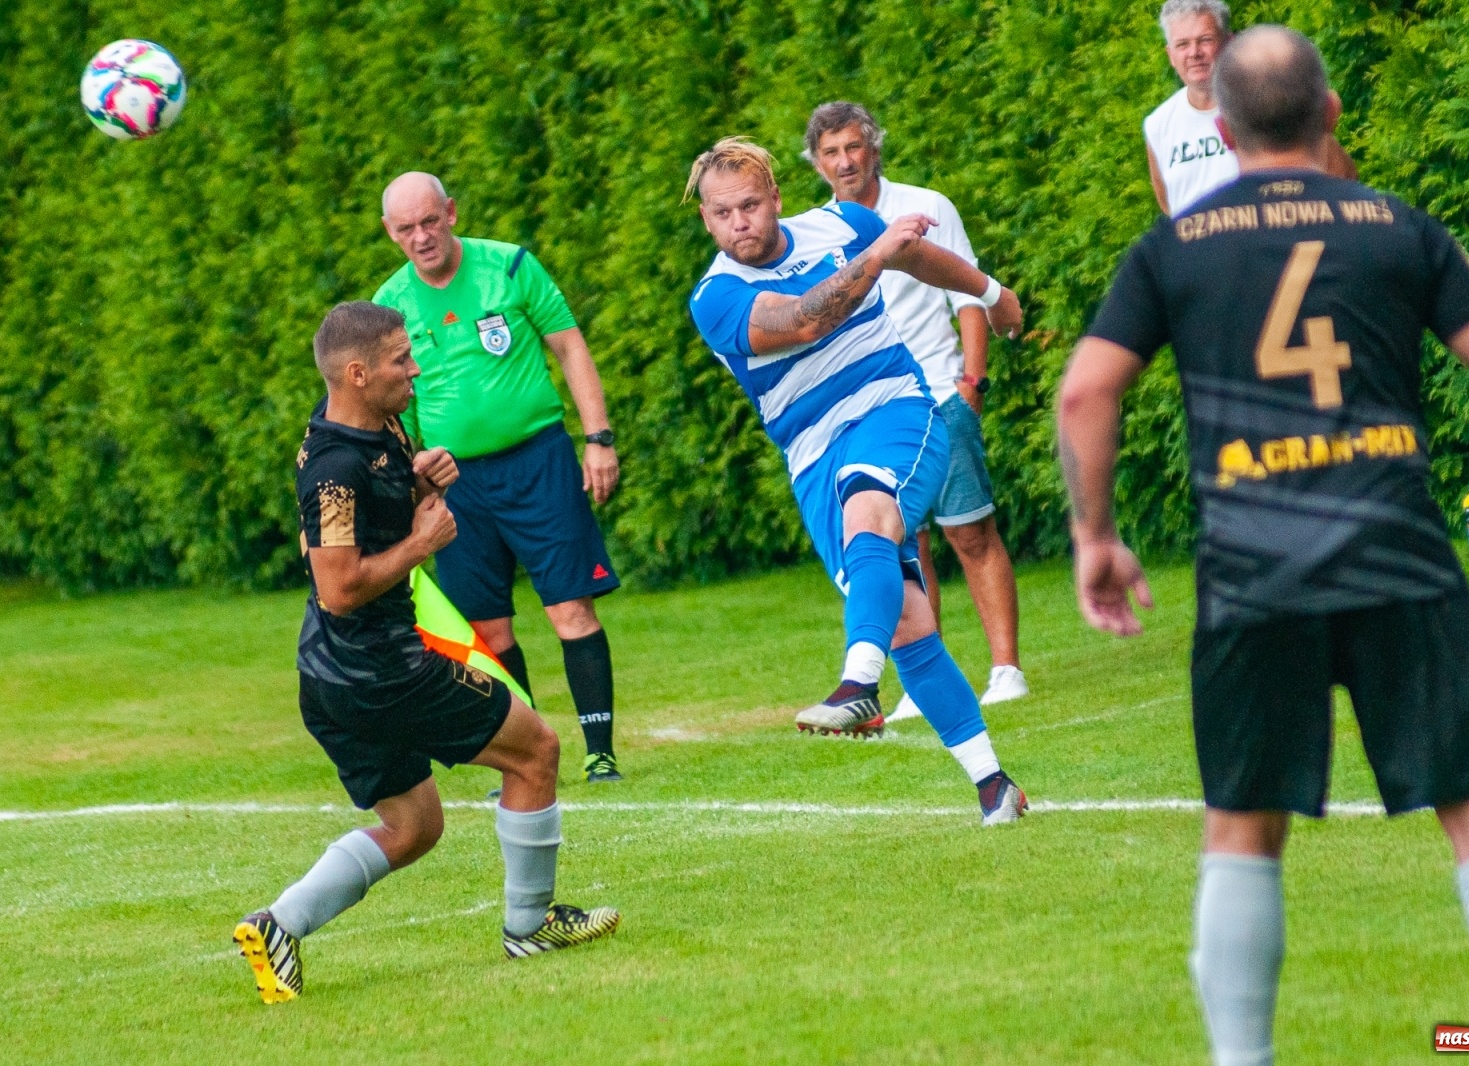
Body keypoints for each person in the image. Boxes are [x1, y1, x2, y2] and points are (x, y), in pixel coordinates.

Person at [1058, 26, 1469, 1066]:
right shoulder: (1396, 228)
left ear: (1219, 131)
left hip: (1253, 566)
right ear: (1332, 113)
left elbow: (1085, 392)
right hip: (1398, 551)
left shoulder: (1174, 247)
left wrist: (1097, 535)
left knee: (1242, 824)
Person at [233, 302, 619, 1005]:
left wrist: (421, 483)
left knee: (414, 828)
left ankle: (278, 924)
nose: (415, 369)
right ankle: (530, 925)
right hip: (383, 672)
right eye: (399, 360)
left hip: (331, 678)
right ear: (357, 373)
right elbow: (339, 589)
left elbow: (377, 516)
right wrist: (422, 544)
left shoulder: (376, 429)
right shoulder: (333, 471)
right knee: (536, 751)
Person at [684, 137, 1028, 825]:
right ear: (706, 220)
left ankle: (858, 682)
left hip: (894, 408)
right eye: (722, 214)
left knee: (867, 501)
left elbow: (918, 257)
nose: (739, 223)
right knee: (907, 622)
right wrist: (875, 257)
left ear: (776, 196)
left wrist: (991, 292)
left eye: (750, 205)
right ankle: (995, 786)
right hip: (813, 456)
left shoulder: (840, 223)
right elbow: (803, 320)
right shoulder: (716, 296)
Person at [373, 173, 625, 784]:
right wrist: (411, 484)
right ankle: (528, 757)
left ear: (451, 212)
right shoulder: (388, 304)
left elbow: (570, 347)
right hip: (454, 482)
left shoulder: (509, 267)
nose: (421, 237)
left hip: (539, 462)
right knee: (486, 629)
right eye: (406, 228)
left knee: (570, 609)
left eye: (429, 221)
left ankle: (600, 753)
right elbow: (399, 404)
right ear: (389, 233)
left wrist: (598, 439)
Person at [804, 101, 1028, 719]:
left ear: (874, 146)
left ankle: (1006, 669)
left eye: (853, 146)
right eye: (831, 152)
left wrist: (972, 382)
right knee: (905, 548)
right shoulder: (818, 232)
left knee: (971, 532)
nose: (845, 161)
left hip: (940, 393)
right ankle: (923, 683)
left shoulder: (926, 205)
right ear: (816, 163)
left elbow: (969, 293)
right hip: (876, 414)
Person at [1145, 0, 1356, 217]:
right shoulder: (1158, 125)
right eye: (1182, 45)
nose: (1194, 53)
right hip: (1196, 238)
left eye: (1205, 40)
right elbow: (1168, 204)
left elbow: (1342, 181)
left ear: (1229, 43)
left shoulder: (1266, 102)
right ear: (1170, 55)